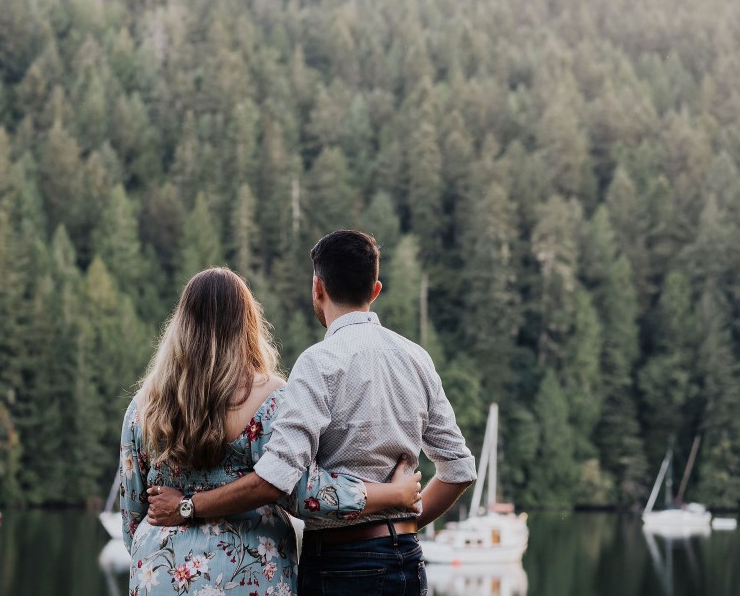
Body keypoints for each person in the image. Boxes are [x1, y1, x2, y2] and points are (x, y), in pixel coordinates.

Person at [149, 231, 477, 596]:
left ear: (317, 288)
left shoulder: (319, 363)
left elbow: (275, 480)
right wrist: (405, 520)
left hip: (341, 563)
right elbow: (459, 470)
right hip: (408, 560)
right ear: (375, 290)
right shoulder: (417, 358)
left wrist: (188, 506)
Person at [119, 267, 421, 596]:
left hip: (158, 574)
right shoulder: (270, 400)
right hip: (249, 575)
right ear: (247, 323)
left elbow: (132, 518)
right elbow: (305, 493)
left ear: (181, 323)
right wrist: (393, 495)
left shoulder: (143, 407)